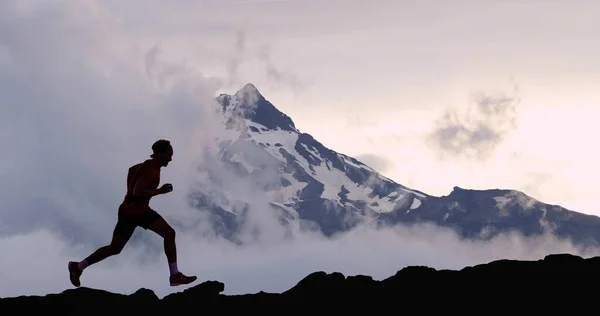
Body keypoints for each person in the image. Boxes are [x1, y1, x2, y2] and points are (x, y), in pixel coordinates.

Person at [68, 139, 197, 287]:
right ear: (159, 154)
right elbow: (138, 192)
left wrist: (129, 191)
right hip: (137, 212)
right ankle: (174, 276)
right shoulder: (150, 170)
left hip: (129, 210)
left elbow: (131, 170)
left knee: (114, 248)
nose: (171, 158)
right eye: (169, 155)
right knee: (169, 233)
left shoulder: (147, 165)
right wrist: (159, 191)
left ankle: (77, 267)